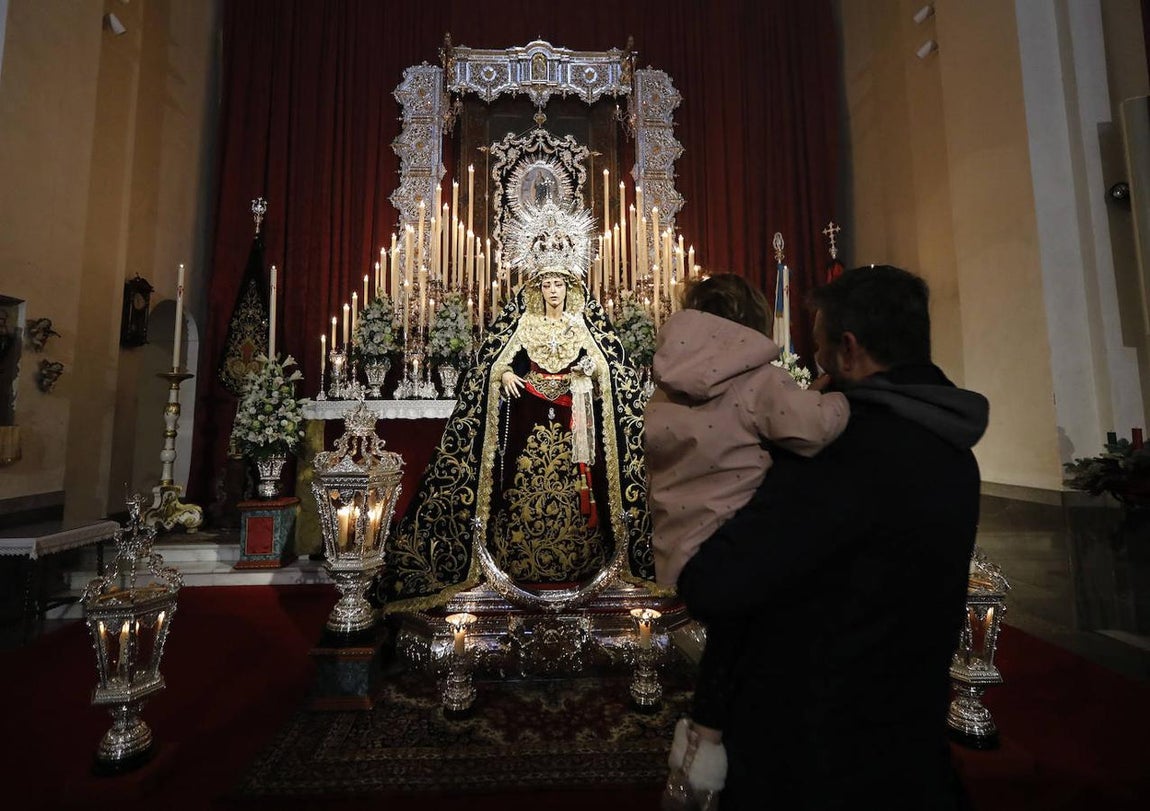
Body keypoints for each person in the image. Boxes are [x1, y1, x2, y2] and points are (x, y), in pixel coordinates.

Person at [677, 265, 989, 810]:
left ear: (848, 350)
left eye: (819, 349)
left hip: (814, 757)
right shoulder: (952, 447)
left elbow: (716, 585)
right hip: (908, 739)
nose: (813, 369)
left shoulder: (842, 454)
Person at [380, 201, 653, 610]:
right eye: (546, 284)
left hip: (575, 428)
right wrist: (504, 375)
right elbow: (493, 363)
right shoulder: (523, 322)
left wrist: (586, 378)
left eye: (560, 283)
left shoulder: (583, 325)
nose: (553, 291)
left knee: (581, 498)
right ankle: (518, 559)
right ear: (537, 288)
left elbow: (611, 369)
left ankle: (585, 559)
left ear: (571, 287)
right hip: (528, 428)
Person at [644, 273, 849, 807]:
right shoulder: (760, 380)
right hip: (742, 550)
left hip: (682, 551)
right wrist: (838, 401)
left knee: (726, 661)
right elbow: (812, 431)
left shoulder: (666, 382)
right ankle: (729, 768)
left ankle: (694, 768)